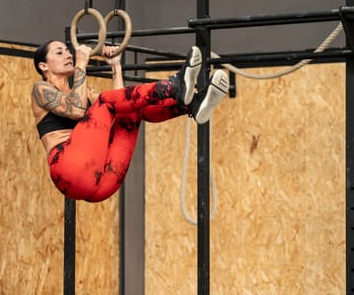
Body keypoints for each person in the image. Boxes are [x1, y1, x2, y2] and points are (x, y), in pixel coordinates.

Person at [31, 40, 228, 202]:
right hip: (67, 170)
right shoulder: (41, 89)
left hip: (101, 183)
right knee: (105, 101)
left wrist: (116, 66)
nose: (68, 55)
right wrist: (82, 63)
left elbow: (122, 103)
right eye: (59, 53)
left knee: (131, 111)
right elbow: (75, 110)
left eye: (68, 51)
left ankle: (191, 106)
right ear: (43, 66)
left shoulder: (84, 94)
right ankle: (173, 87)